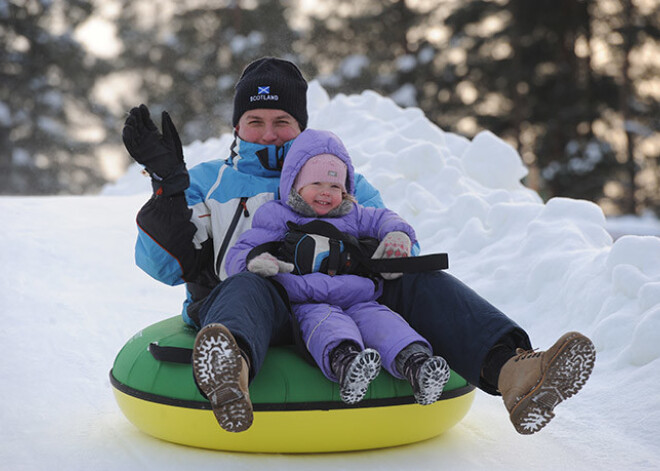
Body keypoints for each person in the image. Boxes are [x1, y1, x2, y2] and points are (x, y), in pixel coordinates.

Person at [122, 57, 596, 436]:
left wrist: (392, 247)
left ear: (301, 125)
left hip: (340, 305)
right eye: (255, 120)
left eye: (282, 121)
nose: (268, 134)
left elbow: (393, 248)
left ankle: (515, 372)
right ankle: (231, 372)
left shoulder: (338, 180)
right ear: (237, 126)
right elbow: (163, 266)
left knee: (420, 280)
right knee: (248, 282)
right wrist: (168, 190)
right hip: (253, 307)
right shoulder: (207, 181)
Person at [223, 128, 452, 412]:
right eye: (316, 183)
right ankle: (348, 365)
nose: (326, 193)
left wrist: (397, 235)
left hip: (359, 296)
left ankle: (417, 365)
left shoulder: (352, 214)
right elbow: (241, 251)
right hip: (307, 298)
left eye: (335, 187)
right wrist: (256, 263)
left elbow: (385, 218)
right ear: (295, 184)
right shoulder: (277, 216)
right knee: (327, 326)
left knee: (384, 323)